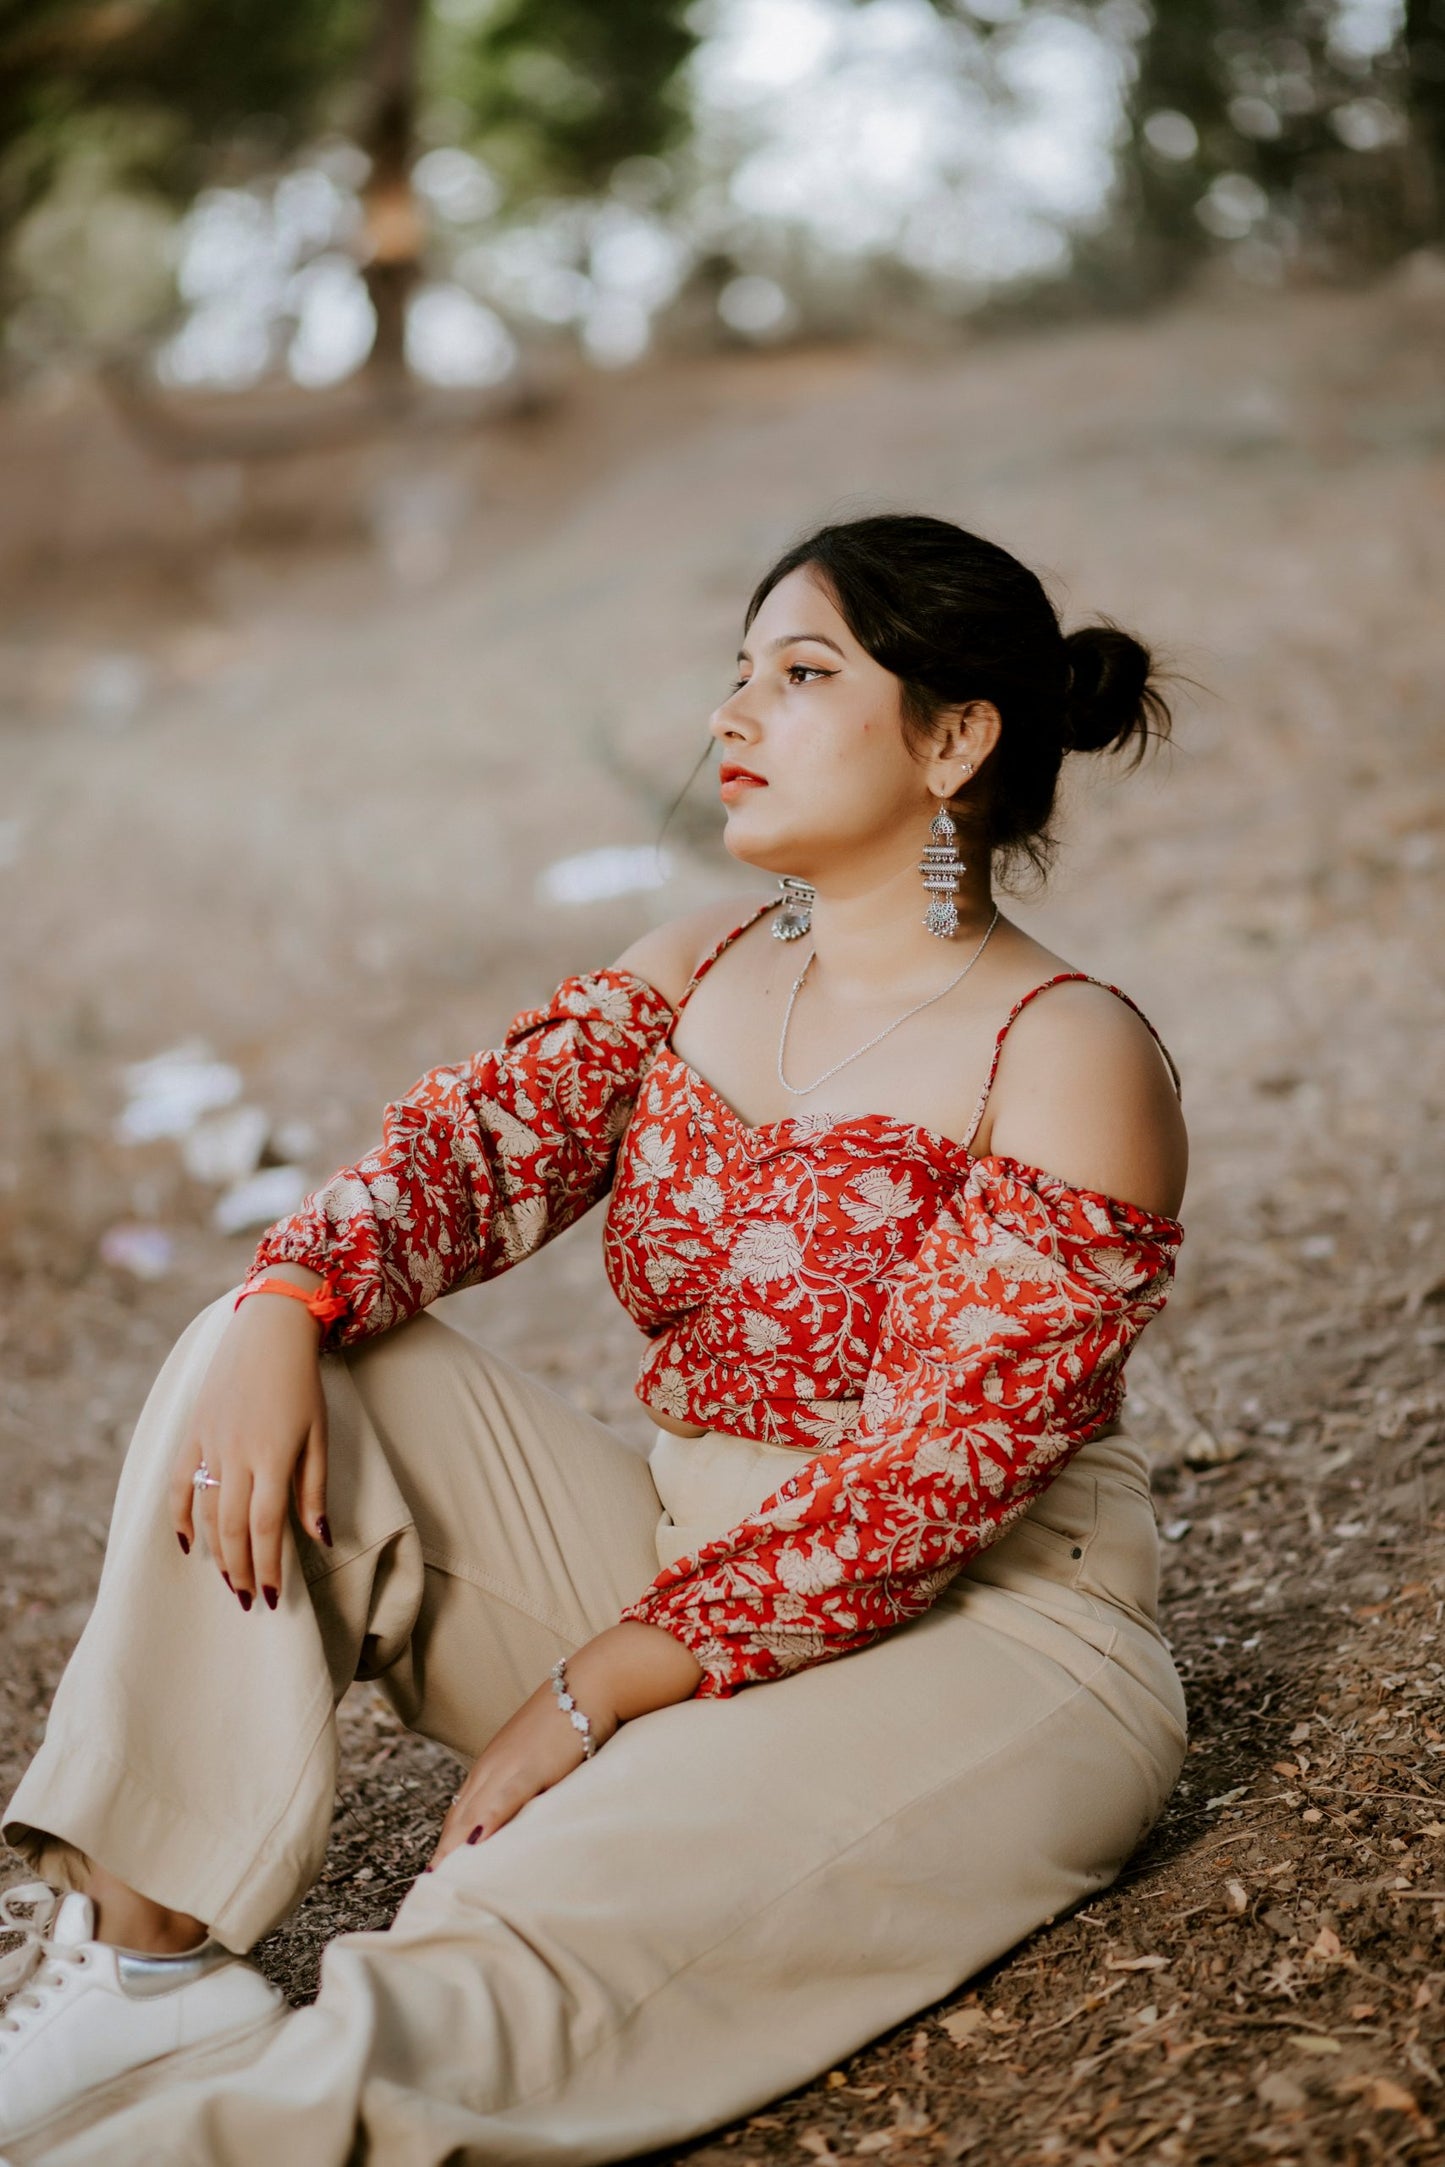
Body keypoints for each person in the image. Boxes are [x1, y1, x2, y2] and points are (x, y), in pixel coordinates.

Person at [0, 513, 1189, 2167]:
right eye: (735, 676)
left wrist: (590, 1695)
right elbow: (461, 1161)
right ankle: (143, 1974)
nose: (731, 717)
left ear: (953, 737)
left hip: (985, 1639)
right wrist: (285, 1300)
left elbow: (924, 1485)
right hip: (667, 1561)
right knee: (267, 1345)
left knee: (492, 1963)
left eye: (800, 674)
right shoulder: (691, 968)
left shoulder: (1062, 1052)